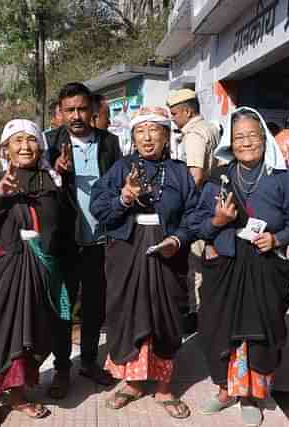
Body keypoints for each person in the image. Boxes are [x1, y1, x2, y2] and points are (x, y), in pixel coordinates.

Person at [190, 107, 289, 426]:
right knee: (218, 329)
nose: (246, 142)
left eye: (252, 136)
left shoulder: (283, 176)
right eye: (239, 137)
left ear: (264, 138)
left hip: (264, 265)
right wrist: (218, 220)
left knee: (260, 333)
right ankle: (225, 389)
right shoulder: (218, 177)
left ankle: (250, 394)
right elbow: (196, 224)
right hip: (225, 266)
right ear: (230, 141)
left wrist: (277, 238)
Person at [0, 119, 74, 427]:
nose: (25, 146)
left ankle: (18, 396)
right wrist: (0, 195)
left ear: (41, 146)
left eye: (31, 140)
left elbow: (59, 227)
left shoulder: (50, 183)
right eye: (17, 141)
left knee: (30, 334)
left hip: (38, 270)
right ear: (6, 148)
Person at [90, 106, 197, 419]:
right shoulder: (121, 168)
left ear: (166, 135)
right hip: (127, 253)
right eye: (141, 130)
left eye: (155, 130)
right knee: (128, 312)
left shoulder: (179, 172)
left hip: (168, 255)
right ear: (133, 136)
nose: (148, 137)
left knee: (166, 317)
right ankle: (133, 383)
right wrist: (124, 197)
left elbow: (195, 214)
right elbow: (99, 207)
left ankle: (164, 388)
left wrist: (177, 239)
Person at [45, 82, 122, 398]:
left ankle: (89, 362)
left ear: (93, 110)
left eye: (82, 109)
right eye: (69, 110)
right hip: (64, 245)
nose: (76, 116)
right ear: (60, 113)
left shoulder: (109, 143)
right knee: (63, 309)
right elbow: (34, 187)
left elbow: (119, 184)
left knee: (94, 308)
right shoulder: (49, 144)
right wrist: (54, 171)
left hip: (100, 244)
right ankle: (62, 369)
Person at [167, 88, 221, 327]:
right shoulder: (210, 127)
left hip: (197, 205)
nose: (173, 118)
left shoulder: (194, 135)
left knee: (195, 264)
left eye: (175, 113)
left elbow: (195, 175)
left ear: (188, 111)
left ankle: (197, 315)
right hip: (210, 203)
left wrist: (179, 204)